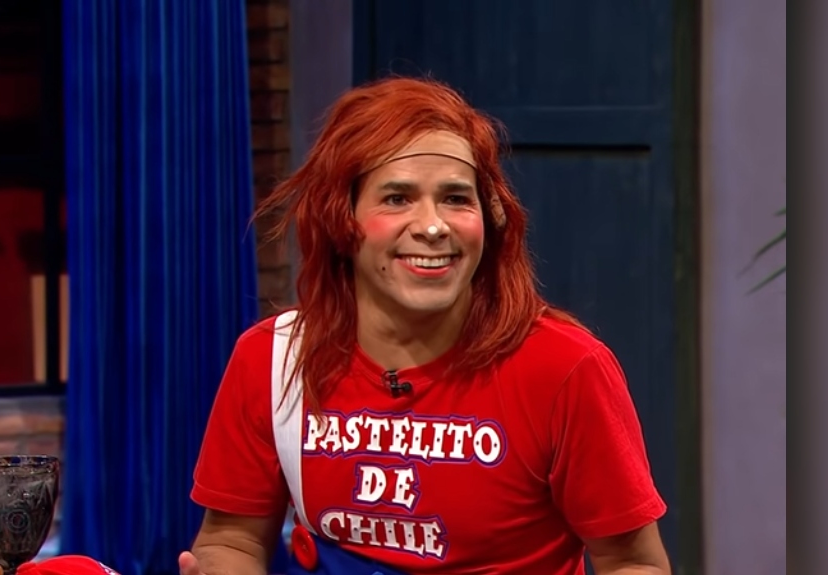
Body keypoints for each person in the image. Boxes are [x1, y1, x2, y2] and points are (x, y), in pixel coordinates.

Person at [179, 77, 671, 575]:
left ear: (490, 219)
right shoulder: (274, 359)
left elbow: (634, 564)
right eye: (397, 198)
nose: (433, 226)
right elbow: (232, 540)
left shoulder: (565, 369)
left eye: (456, 199)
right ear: (340, 219)